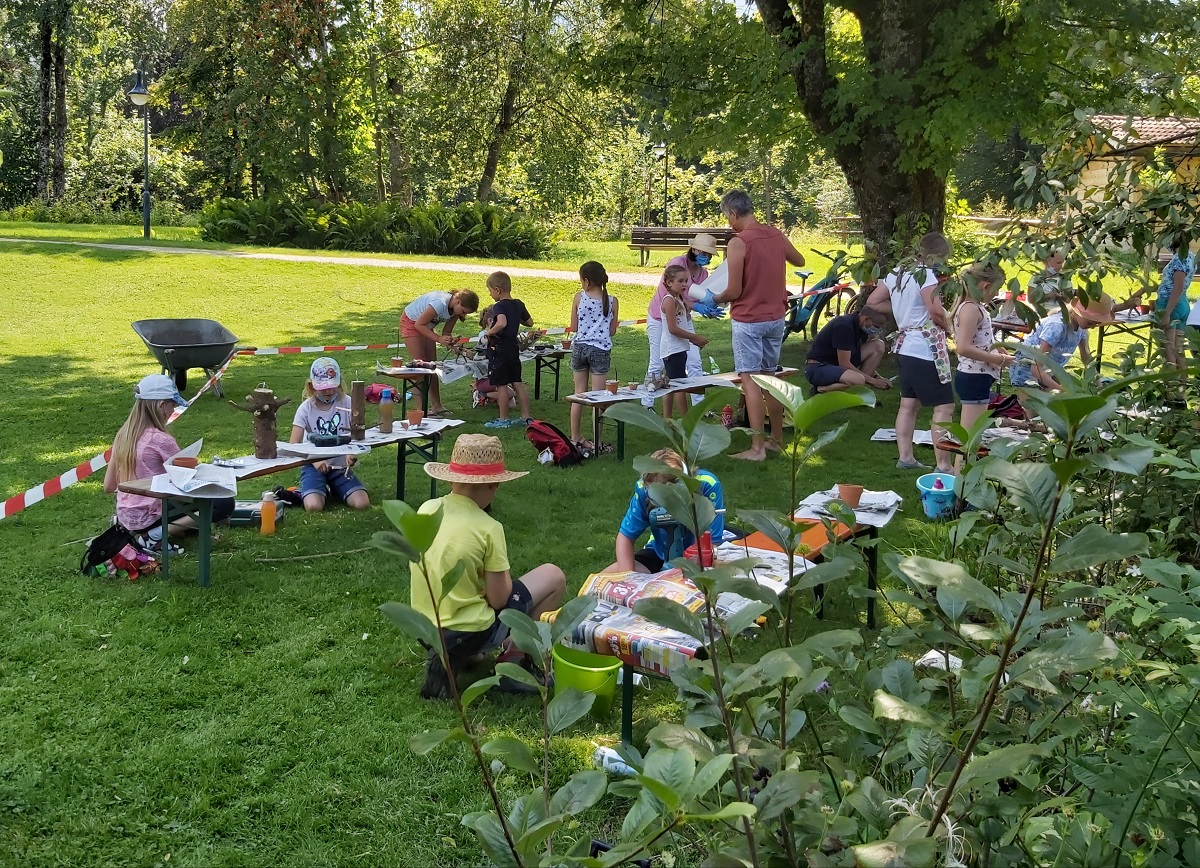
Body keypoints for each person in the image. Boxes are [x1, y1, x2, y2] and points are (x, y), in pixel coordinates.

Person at [413, 434, 567, 699]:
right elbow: (499, 599)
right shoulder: (489, 528)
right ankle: (515, 659)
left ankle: (458, 656)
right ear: (493, 485)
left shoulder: (427, 509)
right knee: (554, 576)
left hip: (424, 626)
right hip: (468, 631)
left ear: (451, 477)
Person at [711, 190, 806, 461]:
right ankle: (776, 439)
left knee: (750, 382)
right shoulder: (775, 233)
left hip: (749, 320)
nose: (729, 223)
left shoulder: (738, 242)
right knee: (771, 381)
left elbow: (733, 290)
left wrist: (712, 299)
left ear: (733, 214)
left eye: (727, 217)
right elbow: (799, 260)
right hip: (775, 318)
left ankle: (757, 448)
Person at [103, 374, 234, 552]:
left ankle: (152, 530)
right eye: (173, 404)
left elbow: (109, 486)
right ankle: (154, 536)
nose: (173, 410)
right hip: (150, 514)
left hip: (127, 515)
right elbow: (186, 481)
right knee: (224, 502)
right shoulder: (161, 440)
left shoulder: (123, 435)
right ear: (161, 405)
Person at [877, 232, 955, 472]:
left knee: (908, 404)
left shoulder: (896, 273)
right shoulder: (926, 276)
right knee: (944, 407)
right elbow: (935, 311)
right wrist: (950, 327)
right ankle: (944, 465)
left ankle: (906, 457)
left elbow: (874, 302)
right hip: (924, 347)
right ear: (937, 255)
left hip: (905, 345)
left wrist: (903, 310)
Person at [606, 448, 725, 574]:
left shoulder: (707, 484)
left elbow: (711, 542)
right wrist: (628, 577)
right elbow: (625, 536)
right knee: (602, 581)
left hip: (698, 556)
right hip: (659, 552)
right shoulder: (642, 488)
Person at [643, 233, 722, 408]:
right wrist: (695, 307)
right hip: (659, 318)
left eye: (709, 254)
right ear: (693, 249)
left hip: (683, 320)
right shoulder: (677, 263)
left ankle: (699, 407)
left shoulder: (703, 273)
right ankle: (647, 403)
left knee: (694, 362)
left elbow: (698, 298)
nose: (706, 257)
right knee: (656, 363)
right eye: (703, 252)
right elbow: (670, 296)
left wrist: (708, 308)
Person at [289, 357, 370, 512]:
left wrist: (351, 453)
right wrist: (315, 461)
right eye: (323, 387)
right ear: (312, 386)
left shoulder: (348, 402)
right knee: (313, 507)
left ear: (339, 383)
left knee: (362, 504)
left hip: (340, 466)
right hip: (313, 466)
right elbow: (293, 444)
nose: (328, 391)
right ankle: (313, 490)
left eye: (332, 386)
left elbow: (358, 434)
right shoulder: (305, 409)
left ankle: (337, 488)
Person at [952, 261, 1012, 441]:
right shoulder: (970, 308)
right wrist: (997, 359)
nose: (996, 294)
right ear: (986, 286)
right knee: (970, 437)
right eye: (996, 289)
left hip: (979, 376)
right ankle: (961, 469)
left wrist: (997, 348)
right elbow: (963, 347)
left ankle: (963, 468)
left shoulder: (975, 307)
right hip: (973, 376)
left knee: (974, 434)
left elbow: (979, 340)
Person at [1007, 294, 1115, 391]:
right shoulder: (1057, 327)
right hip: (1026, 368)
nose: (1091, 327)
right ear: (1079, 313)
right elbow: (1036, 367)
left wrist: (1098, 383)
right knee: (1036, 410)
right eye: (1090, 322)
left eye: (1095, 324)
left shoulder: (1082, 330)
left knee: (1052, 408)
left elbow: (1086, 358)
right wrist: (1063, 390)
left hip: (1049, 370)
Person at [399, 288, 480, 416]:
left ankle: (437, 406)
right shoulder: (440, 303)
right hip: (412, 323)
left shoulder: (455, 311)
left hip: (426, 327)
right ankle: (422, 411)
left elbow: (446, 332)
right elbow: (418, 325)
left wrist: (449, 340)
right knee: (420, 368)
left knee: (432, 367)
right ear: (458, 302)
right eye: (464, 312)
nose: (463, 316)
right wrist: (438, 339)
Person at [569, 261, 619, 449]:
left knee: (578, 395)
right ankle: (597, 442)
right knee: (598, 398)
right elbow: (612, 331)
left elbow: (573, 327)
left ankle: (575, 438)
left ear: (587, 281)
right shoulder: (612, 301)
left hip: (579, 347)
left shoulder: (578, 297)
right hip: (600, 350)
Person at [481, 271, 533, 429]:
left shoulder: (499, 306)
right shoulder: (518, 304)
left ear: (497, 290)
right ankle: (526, 417)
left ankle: (503, 419)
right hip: (513, 348)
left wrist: (488, 332)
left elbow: (502, 323)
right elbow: (529, 322)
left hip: (500, 349)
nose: (490, 294)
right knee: (517, 383)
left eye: (490, 291)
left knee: (502, 385)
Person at [804, 306, 891, 393]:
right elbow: (844, 364)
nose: (876, 330)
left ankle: (858, 392)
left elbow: (856, 359)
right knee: (858, 380)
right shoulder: (844, 325)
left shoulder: (861, 328)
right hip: (818, 367)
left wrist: (878, 378)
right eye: (876, 326)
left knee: (878, 345)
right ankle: (819, 390)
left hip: (835, 365)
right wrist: (874, 382)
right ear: (866, 319)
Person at [660, 264, 709, 418]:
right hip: (672, 350)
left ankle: (667, 419)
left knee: (669, 383)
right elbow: (672, 328)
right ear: (669, 282)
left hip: (679, 348)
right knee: (679, 386)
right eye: (680, 281)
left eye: (686, 281)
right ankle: (686, 420)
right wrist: (693, 337)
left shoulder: (678, 299)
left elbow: (682, 322)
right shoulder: (669, 301)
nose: (685, 284)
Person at [1154, 235, 1196, 374]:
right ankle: (1181, 390)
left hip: (1171, 304)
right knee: (1178, 350)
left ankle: (1170, 390)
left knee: (1168, 350)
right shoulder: (1191, 256)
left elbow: (1177, 287)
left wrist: (1166, 313)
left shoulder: (1179, 258)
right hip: (1182, 303)